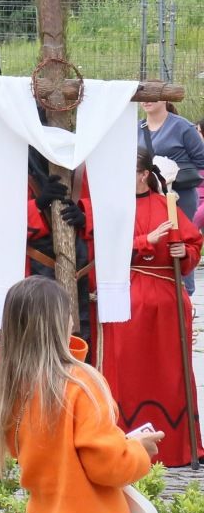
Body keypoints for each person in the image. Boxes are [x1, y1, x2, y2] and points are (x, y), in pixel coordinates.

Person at [0, 275, 159, 513]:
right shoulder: (81, 382)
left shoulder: (11, 382)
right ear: (61, 321)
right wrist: (138, 451)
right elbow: (108, 466)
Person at [100, 149, 200, 466]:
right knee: (126, 369)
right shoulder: (116, 208)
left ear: (144, 175)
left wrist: (182, 250)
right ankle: (125, 442)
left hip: (167, 301)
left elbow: (192, 246)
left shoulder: (164, 205)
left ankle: (177, 446)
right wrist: (146, 240)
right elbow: (102, 248)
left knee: (170, 372)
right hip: (128, 300)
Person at [139, 100, 204, 226]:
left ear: (164, 99)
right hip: (149, 194)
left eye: (152, 97)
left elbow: (201, 161)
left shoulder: (183, 126)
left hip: (180, 195)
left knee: (180, 240)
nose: (146, 100)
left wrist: (173, 170)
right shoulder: (136, 128)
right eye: (143, 97)